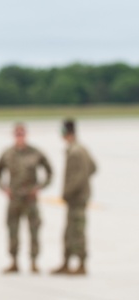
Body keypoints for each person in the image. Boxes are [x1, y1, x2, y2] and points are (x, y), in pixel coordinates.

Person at [0, 122, 53, 274]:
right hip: (14, 198)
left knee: (34, 230)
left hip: (30, 198)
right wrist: (3, 187)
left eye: (22, 134)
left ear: (26, 135)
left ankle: (34, 261)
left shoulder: (35, 153)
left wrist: (40, 187)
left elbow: (49, 171)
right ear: (14, 135)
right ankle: (14, 261)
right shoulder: (7, 153)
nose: (19, 137)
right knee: (12, 230)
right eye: (17, 134)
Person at [51, 118, 97, 276]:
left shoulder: (76, 151)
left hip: (76, 199)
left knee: (77, 231)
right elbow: (93, 167)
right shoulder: (80, 148)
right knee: (70, 230)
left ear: (66, 133)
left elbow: (81, 175)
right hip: (78, 198)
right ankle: (67, 262)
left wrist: (68, 192)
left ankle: (81, 264)